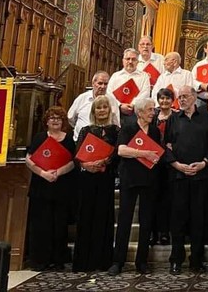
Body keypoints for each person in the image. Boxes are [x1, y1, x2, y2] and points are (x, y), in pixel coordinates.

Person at [108, 98, 163, 276]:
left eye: (153, 110)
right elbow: (121, 150)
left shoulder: (154, 130)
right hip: (130, 178)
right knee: (124, 220)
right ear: (139, 112)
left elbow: (157, 152)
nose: (152, 112)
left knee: (147, 221)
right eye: (149, 110)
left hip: (149, 180)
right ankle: (118, 261)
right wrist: (143, 153)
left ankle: (142, 261)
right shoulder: (129, 127)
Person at [165, 86, 208, 274]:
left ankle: (197, 259)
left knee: (198, 219)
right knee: (177, 220)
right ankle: (176, 260)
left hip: (201, 176)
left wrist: (203, 163)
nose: (182, 100)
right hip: (178, 176)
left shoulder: (205, 118)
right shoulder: (173, 118)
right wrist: (177, 165)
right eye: (180, 97)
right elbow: (167, 146)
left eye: (185, 96)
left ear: (195, 97)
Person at [25, 106, 76, 271]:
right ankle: (40, 260)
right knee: (41, 224)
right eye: (52, 118)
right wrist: (43, 173)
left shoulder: (68, 139)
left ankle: (58, 259)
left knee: (59, 225)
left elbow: (73, 162)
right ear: (46, 121)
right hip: (41, 186)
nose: (55, 121)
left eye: (59, 118)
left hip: (61, 187)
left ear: (63, 122)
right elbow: (29, 159)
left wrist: (57, 173)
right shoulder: (39, 137)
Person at [72, 96, 118, 272]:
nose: (102, 110)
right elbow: (77, 154)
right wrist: (86, 165)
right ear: (93, 111)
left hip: (105, 178)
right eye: (98, 108)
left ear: (109, 110)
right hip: (87, 179)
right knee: (86, 217)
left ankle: (102, 261)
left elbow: (117, 154)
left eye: (105, 107)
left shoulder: (115, 130)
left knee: (103, 218)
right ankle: (84, 261)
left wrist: (105, 162)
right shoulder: (85, 130)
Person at [149, 88, 175, 246]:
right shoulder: (152, 116)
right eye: (162, 98)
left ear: (173, 100)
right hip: (153, 161)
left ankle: (165, 233)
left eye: (167, 98)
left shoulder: (177, 116)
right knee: (153, 198)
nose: (164, 101)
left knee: (167, 199)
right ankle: (153, 233)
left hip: (170, 162)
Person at [68, 71, 121, 141]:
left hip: (103, 142)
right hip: (81, 140)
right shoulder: (82, 98)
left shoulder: (112, 100)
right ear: (93, 83)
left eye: (105, 84)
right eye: (100, 83)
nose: (103, 86)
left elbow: (116, 122)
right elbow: (71, 117)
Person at [107, 48, 151, 126]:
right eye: (128, 59)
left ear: (137, 62)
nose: (130, 61)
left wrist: (133, 105)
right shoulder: (115, 76)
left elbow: (145, 93)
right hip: (116, 112)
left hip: (135, 113)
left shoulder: (144, 76)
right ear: (123, 60)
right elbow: (109, 93)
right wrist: (120, 105)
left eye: (133, 59)